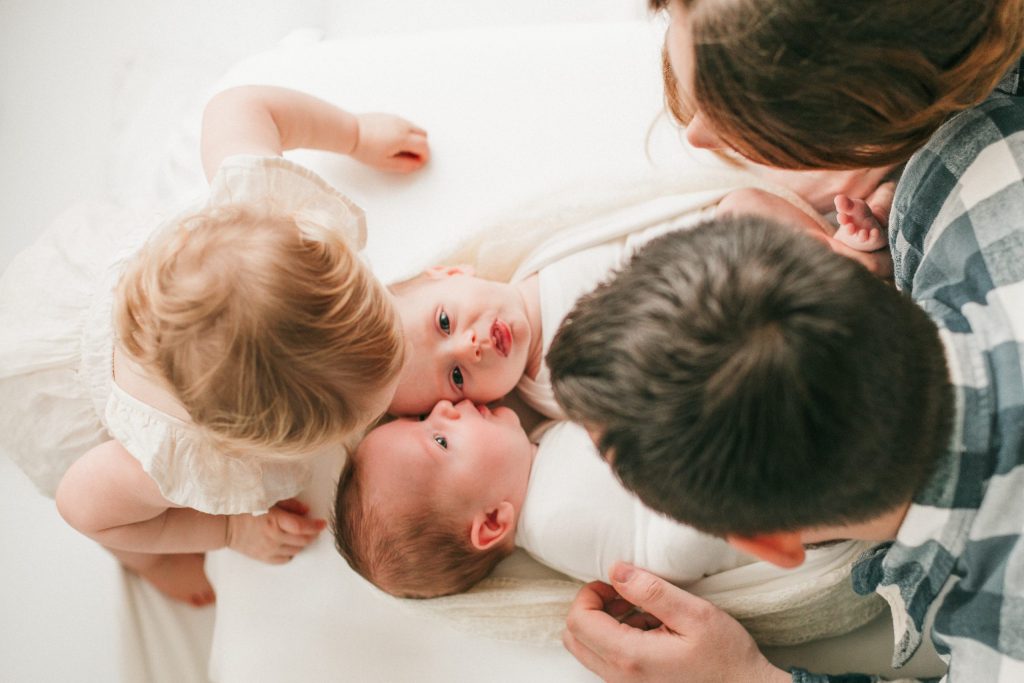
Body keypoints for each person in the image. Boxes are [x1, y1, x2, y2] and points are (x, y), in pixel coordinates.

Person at [548, 4, 1024, 671]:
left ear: (770, 542)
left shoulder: (998, 642)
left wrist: (745, 674)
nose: (697, 132)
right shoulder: (961, 172)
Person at [0, 86, 428, 606]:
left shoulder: (258, 209)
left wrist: (354, 132)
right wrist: (228, 532)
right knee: (127, 531)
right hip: (49, 382)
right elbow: (82, 509)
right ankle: (150, 565)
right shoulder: (157, 455)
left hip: (92, 278)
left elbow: (242, 106)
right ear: (248, 443)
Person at [331, 398, 877, 648]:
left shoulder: (544, 454)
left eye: (422, 416)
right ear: (492, 523)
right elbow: (665, 557)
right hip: (766, 497)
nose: (446, 407)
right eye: (440, 440)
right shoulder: (554, 518)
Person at [385, 175, 889, 418]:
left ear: (450, 272)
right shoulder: (553, 392)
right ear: (473, 406)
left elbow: (628, 219)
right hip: (728, 313)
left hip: (719, 242)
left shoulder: (536, 259)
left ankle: (839, 250)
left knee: (743, 203)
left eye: (446, 323)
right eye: (456, 377)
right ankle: (854, 269)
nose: (470, 347)